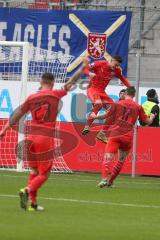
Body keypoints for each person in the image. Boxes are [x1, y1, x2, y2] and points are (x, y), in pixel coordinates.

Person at [0, 58, 88, 211]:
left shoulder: (31, 98)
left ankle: (33, 204)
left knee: (34, 171)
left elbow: (17, 115)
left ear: (41, 82)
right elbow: (71, 83)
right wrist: (81, 69)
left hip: (30, 137)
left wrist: (4, 129)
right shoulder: (55, 94)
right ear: (53, 83)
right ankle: (27, 190)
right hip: (45, 138)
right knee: (44, 174)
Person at [90, 86, 155, 187]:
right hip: (128, 137)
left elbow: (106, 115)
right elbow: (147, 122)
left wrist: (95, 116)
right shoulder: (138, 107)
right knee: (120, 161)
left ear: (125, 94)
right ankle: (110, 182)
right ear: (134, 95)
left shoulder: (118, 103)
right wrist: (152, 116)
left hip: (116, 134)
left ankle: (104, 179)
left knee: (108, 158)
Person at [82, 55, 131, 144]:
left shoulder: (117, 69)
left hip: (102, 92)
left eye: (116, 65)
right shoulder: (99, 63)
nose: (114, 67)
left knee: (114, 110)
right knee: (99, 104)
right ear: (111, 60)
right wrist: (89, 73)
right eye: (114, 65)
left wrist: (130, 87)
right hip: (92, 89)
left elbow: (122, 78)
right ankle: (87, 126)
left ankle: (102, 133)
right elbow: (85, 69)